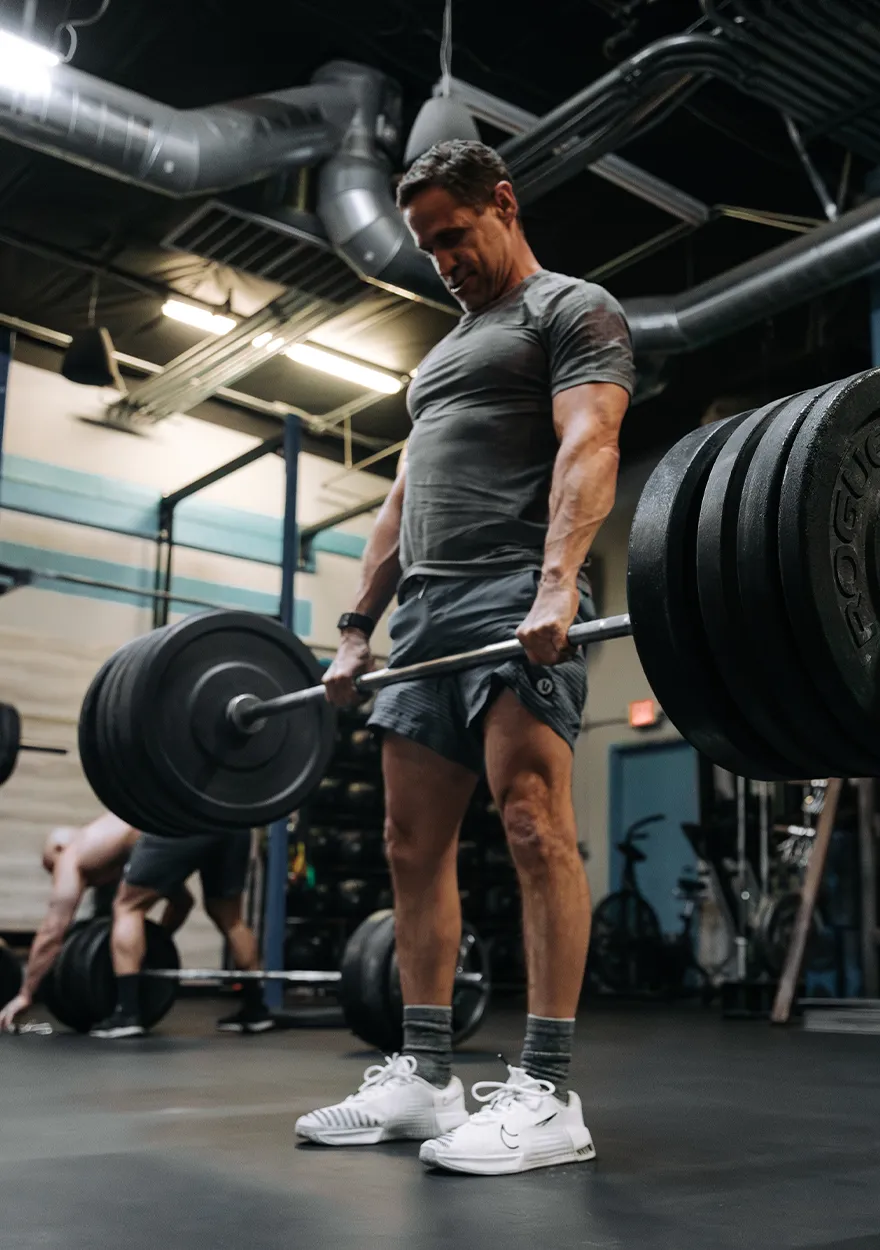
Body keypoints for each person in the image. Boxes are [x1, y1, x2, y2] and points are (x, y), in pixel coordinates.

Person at [295, 139, 634, 1175]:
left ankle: (547, 1089)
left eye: (454, 234)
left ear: (503, 201)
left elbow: (591, 441)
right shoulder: (438, 357)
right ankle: (425, 1072)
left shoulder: (573, 308)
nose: (442, 259)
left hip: (510, 593)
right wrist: (358, 624)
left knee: (532, 819)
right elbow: (403, 496)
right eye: (426, 245)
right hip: (428, 616)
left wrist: (558, 578)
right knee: (407, 842)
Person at [0, 812, 193, 1032]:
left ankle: (128, 1012)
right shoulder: (108, 848)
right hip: (181, 828)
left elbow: (52, 933)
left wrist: (25, 994)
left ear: (58, 850)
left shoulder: (71, 856)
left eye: (53, 867)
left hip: (162, 831)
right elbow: (183, 903)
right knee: (197, 908)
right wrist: (156, 943)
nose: (57, 874)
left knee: (126, 909)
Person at [90, 827, 273, 1039]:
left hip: (182, 822)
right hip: (233, 824)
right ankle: (256, 1009)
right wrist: (160, 941)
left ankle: (127, 1013)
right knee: (231, 919)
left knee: (128, 905)